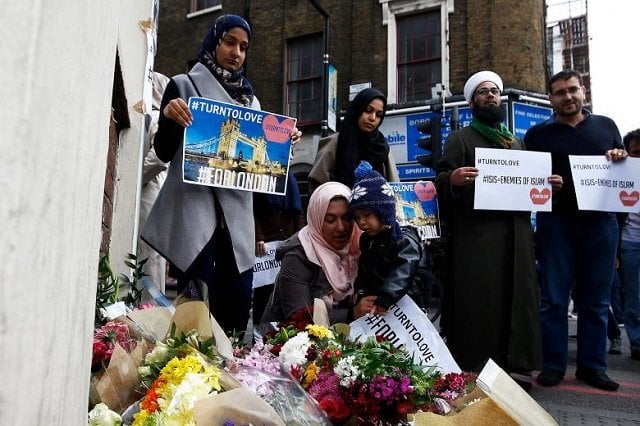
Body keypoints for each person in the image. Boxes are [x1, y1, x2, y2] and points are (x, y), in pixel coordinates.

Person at [141, 15, 300, 336]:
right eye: (230, 42)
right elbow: (164, 150)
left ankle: (232, 380)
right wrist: (170, 117)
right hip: (196, 219)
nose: (237, 52)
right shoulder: (183, 85)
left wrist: (285, 142)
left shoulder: (251, 101)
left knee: (236, 316)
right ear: (215, 42)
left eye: (244, 47)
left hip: (237, 226)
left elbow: (262, 172)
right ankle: (186, 379)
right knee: (193, 317)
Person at [435, 71, 562, 386]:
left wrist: (546, 186)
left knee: (514, 299)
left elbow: (522, 185)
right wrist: (451, 180)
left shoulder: (516, 141)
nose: (490, 95)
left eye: (494, 91)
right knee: (481, 301)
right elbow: (439, 182)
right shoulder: (460, 139)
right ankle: (476, 366)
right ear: (471, 102)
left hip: (516, 236)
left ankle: (511, 364)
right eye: (482, 92)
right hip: (477, 239)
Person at [524, 69, 626, 391]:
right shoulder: (538, 135)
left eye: (572, 90)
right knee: (553, 299)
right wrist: (544, 183)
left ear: (583, 91)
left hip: (600, 223)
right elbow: (529, 181)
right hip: (556, 223)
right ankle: (553, 365)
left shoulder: (607, 127)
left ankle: (592, 367)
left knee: (595, 300)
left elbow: (622, 165)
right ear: (550, 99)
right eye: (559, 92)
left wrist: (620, 155)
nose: (567, 97)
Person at [260, 181, 377, 328]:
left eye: (347, 218)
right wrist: (352, 314)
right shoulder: (298, 256)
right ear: (316, 219)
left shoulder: (359, 244)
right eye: (330, 220)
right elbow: (298, 316)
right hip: (296, 341)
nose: (341, 227)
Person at [348, 160, 423, 314]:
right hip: (378, 305)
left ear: (383, 212)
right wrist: (360, 291)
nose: (362, 222)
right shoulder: (366, 240)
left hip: (405, 306)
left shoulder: (402, 238)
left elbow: (404, 270)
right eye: (357, 217)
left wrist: (386, 297)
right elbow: (365, 270)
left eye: (367, 215)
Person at [308, 88, 399, 192]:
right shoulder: (335, 142)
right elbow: (317, 186)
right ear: (357, 110)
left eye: (379, 115)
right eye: (368, 110)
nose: (372, 118)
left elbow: (394, 188)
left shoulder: (383, 147)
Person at [252, 170, 306, 326]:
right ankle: (260, 334)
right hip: (266, 242)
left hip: (287, 239)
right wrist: (258, 237)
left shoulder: (289, 177)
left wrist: (300, 237)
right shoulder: (258, 176)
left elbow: (297, 211)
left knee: (286, 287)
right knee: (263, 291)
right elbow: (252, 209)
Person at [137, 71, 170, 294]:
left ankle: (150, 313)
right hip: (151, 194)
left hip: (150, 193)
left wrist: (134, 179)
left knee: (150, 259)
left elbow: (159, 157)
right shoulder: (149, 116)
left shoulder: (158, 118)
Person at [619, 128, 640, 361]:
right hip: (630, 243)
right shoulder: (621, 173)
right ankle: (637, 343)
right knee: (633, 297)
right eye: (636, 152)